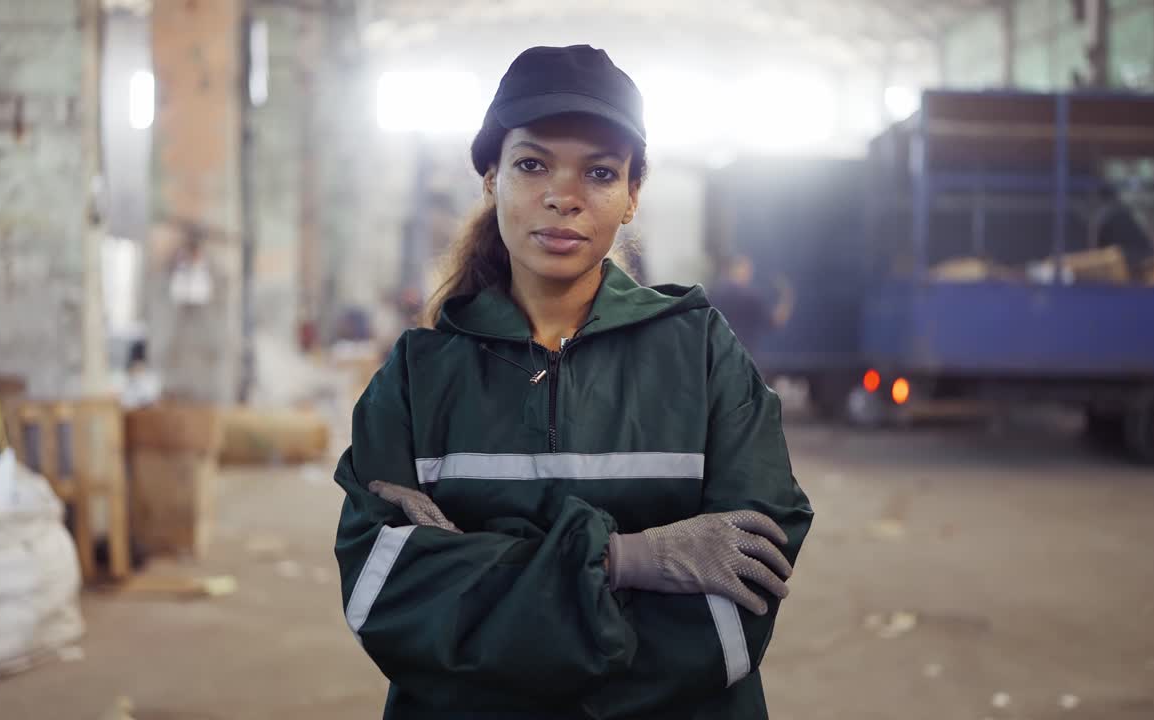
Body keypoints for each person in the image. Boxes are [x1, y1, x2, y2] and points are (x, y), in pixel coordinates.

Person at [333, 45, 813, 720]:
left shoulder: (702, 355)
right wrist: (630, 558)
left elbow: (734, 617)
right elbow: (387, 597)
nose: (564, 196)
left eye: (600, 171)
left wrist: (480, 577)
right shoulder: (418, 376)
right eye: (532, 164)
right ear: (490, 177)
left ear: (632, 196)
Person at [709, 255, 794, 357]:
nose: (750, 274)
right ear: (741, 269)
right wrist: (787, 296)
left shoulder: (714, 293)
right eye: (748, 270)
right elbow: (776, 321)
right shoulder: (751, 297)